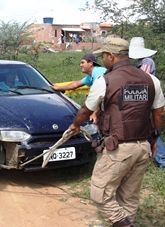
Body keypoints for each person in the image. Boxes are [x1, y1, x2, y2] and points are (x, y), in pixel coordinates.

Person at [68, 37, 165, 227]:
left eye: (103, 56)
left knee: (99, 193)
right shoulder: (151, 80)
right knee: (129, 195)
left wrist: (76, 125)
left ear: (111, 56)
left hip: (118, 149)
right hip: (143, 147)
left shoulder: (105, 81)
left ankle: (124, 224)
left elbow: (86, 110)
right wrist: (154, 138)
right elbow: (159, 113)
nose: (102, 61)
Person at [129, 37, 165, 169]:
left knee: (151, 128)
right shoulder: (141, 61)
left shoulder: (147, 61)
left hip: (148, 98)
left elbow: (141, 79)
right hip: (145, 97)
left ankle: (162, 159)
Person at [52, 53, 106, 123]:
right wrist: (59, 88)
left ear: (90, 63)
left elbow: (102, 95)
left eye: (82, 62)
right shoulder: (91, 75)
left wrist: (94, 113)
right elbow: (76, 84)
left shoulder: (98, 73)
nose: (80, 65)